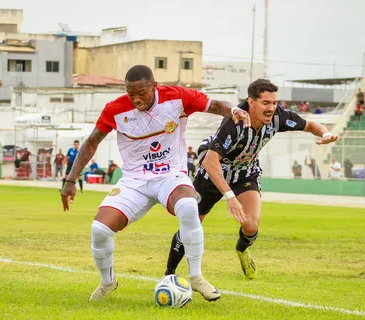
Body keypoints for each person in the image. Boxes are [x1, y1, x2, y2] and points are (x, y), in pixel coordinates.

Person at [60, 64, 251, 301]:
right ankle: (107, 282)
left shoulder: (177, 97)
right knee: (99, 230)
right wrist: (70, 179)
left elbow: (214, 105)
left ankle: (196, 276)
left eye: (142, 93)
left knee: (189, 207)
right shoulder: (115, 109)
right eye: (131, 94)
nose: (136, 99)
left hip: (170, 176)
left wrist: (233, 110)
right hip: (134, 181)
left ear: (154, 86)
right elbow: (91, 143)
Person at [164, 79, 337, 280]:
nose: (272, 108)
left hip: (246, 172)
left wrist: (326, 133)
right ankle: (169, 274)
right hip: (213, 172)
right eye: (266, 103)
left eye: (274, 102)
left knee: (251, 226)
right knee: (191, 225)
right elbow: (211, 161)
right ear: (251, 102)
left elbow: (310, 125)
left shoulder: (278, 117)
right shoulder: (235, 121)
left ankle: (242, 249)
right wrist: (229, 196)